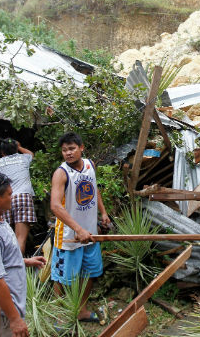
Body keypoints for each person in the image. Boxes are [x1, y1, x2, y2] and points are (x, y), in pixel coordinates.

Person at [0, 172, 46, 337]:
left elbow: (0, 259)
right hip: (3, 314)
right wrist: (14, 319)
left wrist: (24, 261)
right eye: (10, 195)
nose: (13, 198)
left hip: (10, 308)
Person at [50, 132, 110, 322]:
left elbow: (94, 189)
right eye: (64, 150)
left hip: (90, 232)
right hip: (68, 235)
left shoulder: (90, 165)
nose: (68, 153)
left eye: (72, 148)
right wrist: (77, 229)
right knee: (61, 277)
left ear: (81, 148)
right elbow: (55, 206)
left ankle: (82, 310)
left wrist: (103, 212)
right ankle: (59, 317)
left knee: (89, 272)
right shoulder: (61, 173)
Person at [0, 138, 36, 254]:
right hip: (23, 196)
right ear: (16, 149)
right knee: (20, 239)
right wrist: (20, 147)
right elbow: (31, 154)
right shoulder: (24, 158)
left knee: (7, 239)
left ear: (2, 152)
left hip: (5, 199)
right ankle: (19, 268)